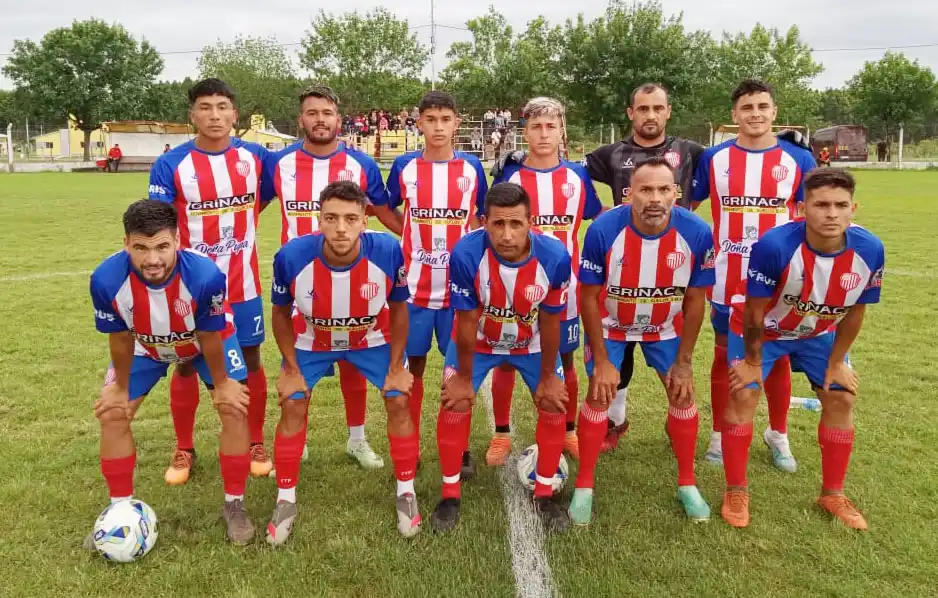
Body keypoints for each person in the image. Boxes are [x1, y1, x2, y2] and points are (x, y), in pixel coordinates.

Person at [722, 168, 884, 530]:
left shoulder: (870, 249)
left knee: (841, 397)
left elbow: (856, 312)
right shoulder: (775, 246)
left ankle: (833, 494)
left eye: (840, 205)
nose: (832, 214)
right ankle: (736, 489)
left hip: (817, 332)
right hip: (763, 330)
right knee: (744, 393)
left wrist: (838, 362)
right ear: (801, 208)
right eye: (821, 205)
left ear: (853, 208)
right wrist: (752, 362)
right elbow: (754, 312)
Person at [89, 199, 255, 545]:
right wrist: (119, 388)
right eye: (141, 248)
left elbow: (209, 334)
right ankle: (119, 511)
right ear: (126, 244)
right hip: (143, 343)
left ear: (178, 240)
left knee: (234, 408)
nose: (153, 259)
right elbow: (120, 338)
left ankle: (235, 505)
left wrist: (222, 384)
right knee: (113, 413)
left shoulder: (205, 276)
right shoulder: (105, 279)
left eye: (162, 247)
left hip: (202, 341)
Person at [267, 180, 419, 543]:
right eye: (331, 218)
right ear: (318, 220)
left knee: (398, 399)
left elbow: (399, 309)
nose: (340, 228)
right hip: (312, 339)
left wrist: (396, 368)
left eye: (351, 218)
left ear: (365, 221)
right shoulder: (291, 256)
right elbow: (280, 314)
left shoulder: (388, 251)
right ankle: (285, 499)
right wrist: (291, 369)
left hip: (371, 337)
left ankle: (406, 492)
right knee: (292, 402)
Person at [571, 157, 716, 524]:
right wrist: (603, 361)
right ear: (628, 194)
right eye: (645, 189)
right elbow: (588, 297)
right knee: (599, 394)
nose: (655, 198)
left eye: (664, 189)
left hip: (665, 326)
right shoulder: (604, 230)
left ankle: (687, 483)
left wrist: (684, 363)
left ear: (676, 193)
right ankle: (584, 486)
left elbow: (695, 300)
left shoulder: (697, 232)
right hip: (610, 325)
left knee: (682, 394)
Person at [148, 78, 274, 485]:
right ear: (192, 115)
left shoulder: (257, 158)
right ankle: (184, 447)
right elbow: (160, 225)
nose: (215, 115)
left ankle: (256, 441)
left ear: (235, 114)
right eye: (205, 107)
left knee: (251, 360)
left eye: (222, 107)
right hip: (191, 289)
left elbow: (268, 197)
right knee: (186, 362)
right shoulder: (171, 165)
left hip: (244, 285)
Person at [692, 79, 817, 473]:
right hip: (727, 276)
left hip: (783, 280)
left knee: (777, 357)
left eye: (763, 106)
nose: (755, 114)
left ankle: (777, 433)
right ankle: (718, 433)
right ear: (734, 114)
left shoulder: (799, 159)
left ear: (774, 112)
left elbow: (812, 217)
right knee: (722, 355)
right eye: (747, 107)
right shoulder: (713, 158)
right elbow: (687, 208)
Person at [432, 182, 572, 532]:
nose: (507, 235)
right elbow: (466, 321)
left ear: (531, 222)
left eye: (515, 224)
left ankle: (544, 494)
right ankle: (450, 495)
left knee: (554, 403)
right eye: (498, 224)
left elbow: (551, 321)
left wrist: (549, 377)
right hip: (478, 341)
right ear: (484, 222)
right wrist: (463, 379)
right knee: (455, 402)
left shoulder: (554, 257)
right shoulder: (466, 254)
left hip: (532, 341)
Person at [266, 84, 389, 469]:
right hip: (300, 284)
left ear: (339, 118)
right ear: (301, 119)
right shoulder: (279, 164)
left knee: (353, 361)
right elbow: (248, 207)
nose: (320, 120)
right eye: (312, 113)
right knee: (298, 364)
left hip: (353, 278)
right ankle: (297, 440)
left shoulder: (362, 165)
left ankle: (357, 439)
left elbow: (382, 212)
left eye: (327, 113)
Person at [584, 83, 705, 452]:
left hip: (671, 266)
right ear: (630, 113)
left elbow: (726, 166)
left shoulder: (691, 151)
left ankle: (677, 425)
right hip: (624, 266)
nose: (650, 115)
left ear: (668, 111)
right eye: (642, 108)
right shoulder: (612, 154)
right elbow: (569, 172)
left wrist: (791, 147)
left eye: (657, 108)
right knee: (617, 362)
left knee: (671, 363)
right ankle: (614, 421)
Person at [372, 90, 488, 472]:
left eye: (445, 119)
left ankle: (460, 447)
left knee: (459, 370)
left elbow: (483, 217)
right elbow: (384, 207)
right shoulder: (405, 166)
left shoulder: (472, 168)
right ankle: (412, 444)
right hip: (415, 291)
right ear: (419, 123)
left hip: (460, 293)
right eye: (431, 119)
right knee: (413, 368)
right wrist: (407, 235)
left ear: (457, 123)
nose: (438, 127)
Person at [487, 97, 603, 466]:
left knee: (566, 361)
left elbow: (595, 218)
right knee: (506, 360)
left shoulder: (577, 176)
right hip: (513, 286)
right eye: (536, 126)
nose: (543, 134)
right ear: (525, 132)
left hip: (565, 289)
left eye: (551, 126)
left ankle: (568, 429)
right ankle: (501, 433)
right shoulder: (511, 176)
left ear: (561, 131)